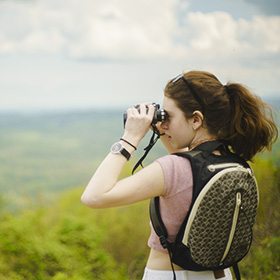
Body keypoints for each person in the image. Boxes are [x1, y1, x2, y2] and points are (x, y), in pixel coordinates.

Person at [81, 70, 278, 280]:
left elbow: (93, 196)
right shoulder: (236, 164)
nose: (164, 122)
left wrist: (130, 138)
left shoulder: (172, 170)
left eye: (169, 116)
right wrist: (165, 131)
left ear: (196, 119)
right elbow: (191, 171)